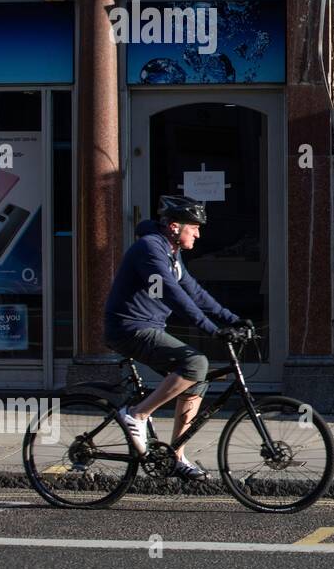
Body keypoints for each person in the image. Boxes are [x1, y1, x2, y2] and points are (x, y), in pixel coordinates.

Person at [102, 194, 247, 481]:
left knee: (199, 377)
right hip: (129, 329)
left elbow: (195, 292)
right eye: (194, 227)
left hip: (150, 327)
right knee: (195, 364)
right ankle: (137, 415)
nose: (198, 233)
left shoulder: (171, 252)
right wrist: (210, 329)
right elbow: (173, 293)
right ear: (174, 226)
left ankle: (176, 455)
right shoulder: (150, 249)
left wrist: (233, 319)